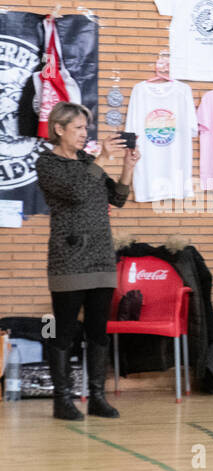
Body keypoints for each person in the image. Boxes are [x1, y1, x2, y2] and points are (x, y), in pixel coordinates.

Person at [35, 102, 138, 420]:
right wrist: (102, 158)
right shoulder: (47, 163)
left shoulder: (87, 161)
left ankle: (96, 398)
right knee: (62, 332)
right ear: (59, 129)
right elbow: (77, 192)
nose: (84, 134)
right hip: (68, 259)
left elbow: (117, 198)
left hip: (101, 258)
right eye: (78, 128)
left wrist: (128, 166)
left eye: (85, 128)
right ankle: (62, 400)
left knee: (98, 332)